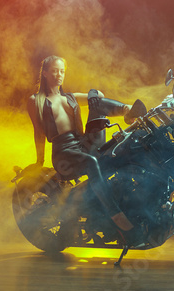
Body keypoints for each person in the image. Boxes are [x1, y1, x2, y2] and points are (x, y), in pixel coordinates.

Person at [27, 55, 146, 247]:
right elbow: (38, 132)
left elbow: (98, 95)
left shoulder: (70, 98)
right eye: (55, 71)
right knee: (92, 162)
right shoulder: (36, 101)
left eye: (62, 71)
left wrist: (92, 93)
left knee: (98, 107)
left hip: (83, 143)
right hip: (64, 152)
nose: (59, 75)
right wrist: (39, 162)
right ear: (45, 73)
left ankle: (129, 111)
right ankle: (117, 217)